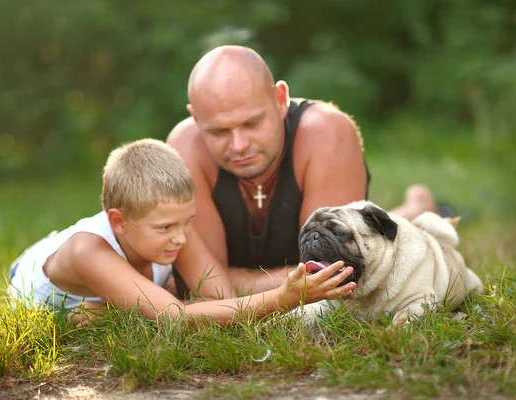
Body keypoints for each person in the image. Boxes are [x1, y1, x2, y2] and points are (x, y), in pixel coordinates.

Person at [166, 45, 438, 295]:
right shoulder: (183, 149)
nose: (238, 146)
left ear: (280, 99)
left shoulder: (326, 132)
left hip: (261, 265)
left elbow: (336, 272)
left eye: (252, 123)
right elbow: (205, 287)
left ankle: (418, 208)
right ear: (196, 117)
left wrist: (229, 281)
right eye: (218, 131)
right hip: (268, 268)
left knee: (387, 231)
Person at [8, 138, 357, 326]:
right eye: (165, 227)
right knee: (166, 299)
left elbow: (219, 293)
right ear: (118, 223)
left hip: (126, 268)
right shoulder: (88, 252)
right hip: (34, 271)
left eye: (187, 221)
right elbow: (174, 317)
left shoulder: (170, 228)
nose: (181, 237)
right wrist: (284, 298)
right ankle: (117, 306)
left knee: (166, 296)